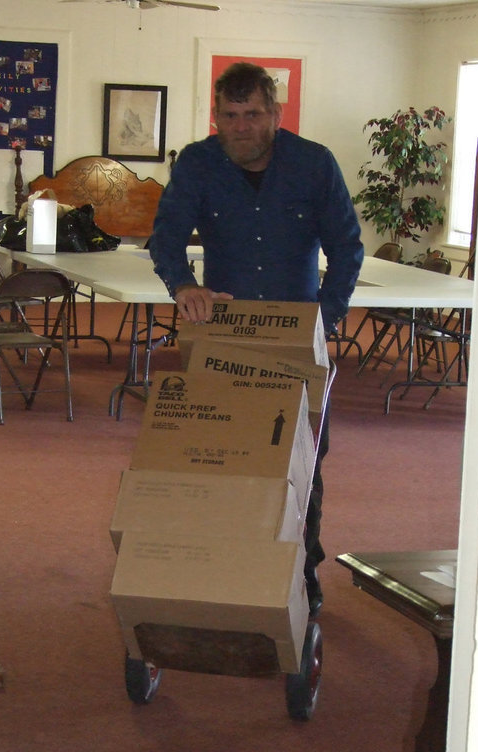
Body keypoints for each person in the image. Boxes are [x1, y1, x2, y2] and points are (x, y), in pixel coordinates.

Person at [150, 62, 363, 617]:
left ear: (276, 113)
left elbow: (347, 247)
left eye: (253, 114)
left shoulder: (314, 164)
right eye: (230, 115)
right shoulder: (198, 164)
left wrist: (327, 318)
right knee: (218, 458)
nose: (241, 126)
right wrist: (183, 285)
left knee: (304, 463)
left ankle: (301, 572)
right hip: (224, 338)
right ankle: (222, 564)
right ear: (215, 115)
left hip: (299, 342)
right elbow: (165, 237)